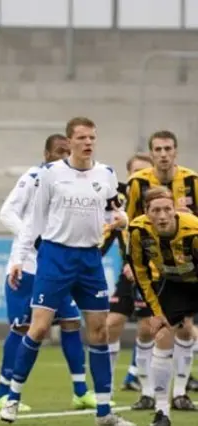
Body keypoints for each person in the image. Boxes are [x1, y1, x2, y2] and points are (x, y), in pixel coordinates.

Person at [0, 117, 134, 426]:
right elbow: (34, 221)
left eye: (92, 138)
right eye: (82, 138)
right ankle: (13, 398)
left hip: (90, 259)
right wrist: (20, 258)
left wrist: (122, 219)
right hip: (55, 256)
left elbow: (116, 209)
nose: (88, 143)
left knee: (99, 331)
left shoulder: (107, 174)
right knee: (40, 328)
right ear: (70, 141)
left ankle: (104, 413)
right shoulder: (50, 175)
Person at [0, 133, 98, 411]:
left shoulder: (74, 180)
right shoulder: (34, 176)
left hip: (58, 269)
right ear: (46, 154)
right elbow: (6, 212)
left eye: (68, 151)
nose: (64, 156)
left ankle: (80, 391)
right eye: (59, 151)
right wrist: (34, 237)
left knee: (72, 321)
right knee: (24, 327)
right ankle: (2, 393)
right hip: (28, 267)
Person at [125, 130, 198, 410]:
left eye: (169, 148)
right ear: (151, 153)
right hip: (148, 267)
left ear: (176, 151)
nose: (164, 154)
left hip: (184, 269)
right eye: (158, 149)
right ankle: (147, 392)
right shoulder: (137, 184)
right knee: (147, 328)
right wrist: (130, 261)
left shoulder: (192, 180)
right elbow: (129, 224)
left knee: (183, 327)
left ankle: (179, 393)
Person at [101, 153, 153, 400]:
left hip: (153, 274)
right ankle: (107, 387)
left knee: (146, 329)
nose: (139, 178)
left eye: (144, 173)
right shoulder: (118, 202)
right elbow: (106, 234)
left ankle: (145, 386)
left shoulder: (159, 203)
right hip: (127, 271)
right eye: (135, 173)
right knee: (111, 324)